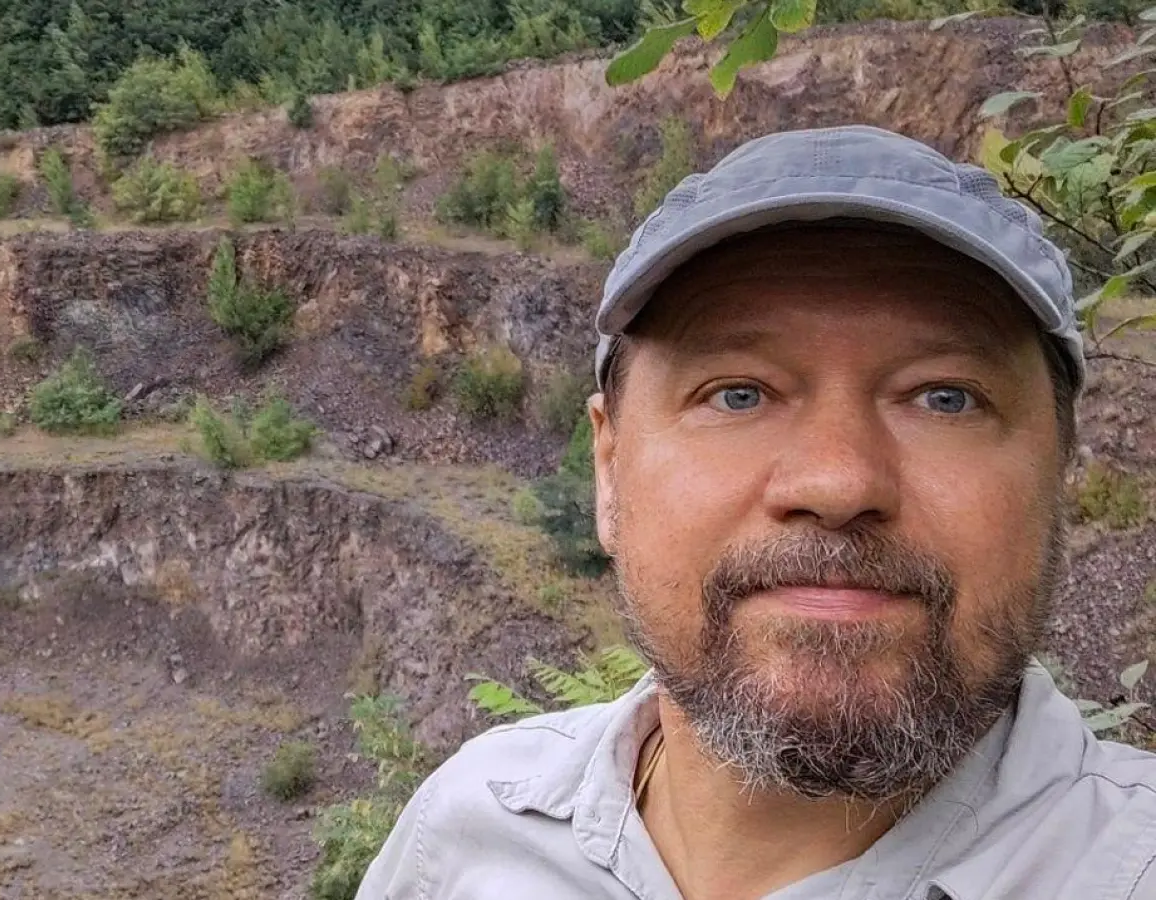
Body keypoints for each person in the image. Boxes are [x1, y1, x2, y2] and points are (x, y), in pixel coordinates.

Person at [354, 125, 1156, 900]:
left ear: (1058, 475)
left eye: (945, 398)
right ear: (608, 472)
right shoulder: (463, 832)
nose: (838, 482)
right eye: (737, 394)